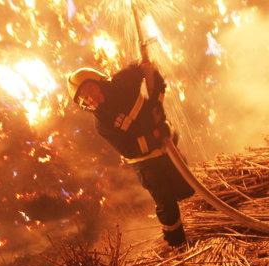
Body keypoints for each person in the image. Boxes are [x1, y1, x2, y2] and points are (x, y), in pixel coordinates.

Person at [67, 62, 194, 248]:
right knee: (166, 202)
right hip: (147, 165)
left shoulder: (123, 81)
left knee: (186, 187)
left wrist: (155, 95)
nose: (91, 98)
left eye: (90, 89)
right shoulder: (102, 124)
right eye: (84, 98)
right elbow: (129, 149)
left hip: (167, 147)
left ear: (99, 81)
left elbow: (145, 71)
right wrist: (156, 135)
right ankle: (177, 243)